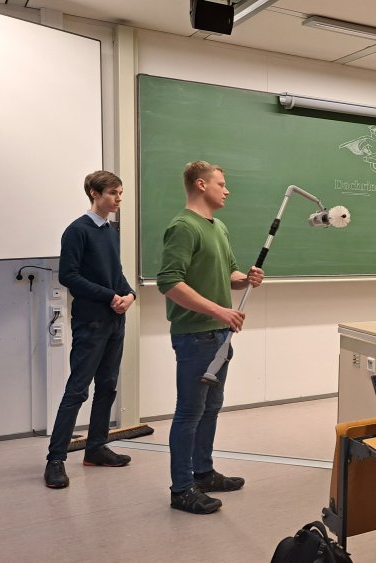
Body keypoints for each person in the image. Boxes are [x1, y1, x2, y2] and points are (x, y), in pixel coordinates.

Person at [156, 161, 264, 514]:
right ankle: (181, 489)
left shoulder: (218, 227)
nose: (227, 189)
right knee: (189, 411)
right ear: (201, 185)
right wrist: (219, 311)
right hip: (196, 336)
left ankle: (203, 473)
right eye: (222, 183)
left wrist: (245, 278)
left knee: (210, 408)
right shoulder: (183, 227)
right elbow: (169, 282)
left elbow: (228, 273)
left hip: (219, 334)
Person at [44, 171, 136, 489]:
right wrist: (109, 296)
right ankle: (55, 459)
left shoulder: (111, 232)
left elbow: (117, 273)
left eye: (121, 193)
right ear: (95, 194)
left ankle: (95, 449)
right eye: (114, 193)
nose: (119, 199)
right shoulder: (76, 231)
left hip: (114, 321)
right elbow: (68, 276)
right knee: (77, 390)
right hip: (91, 322)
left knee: (108, 386)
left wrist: (129, 295)